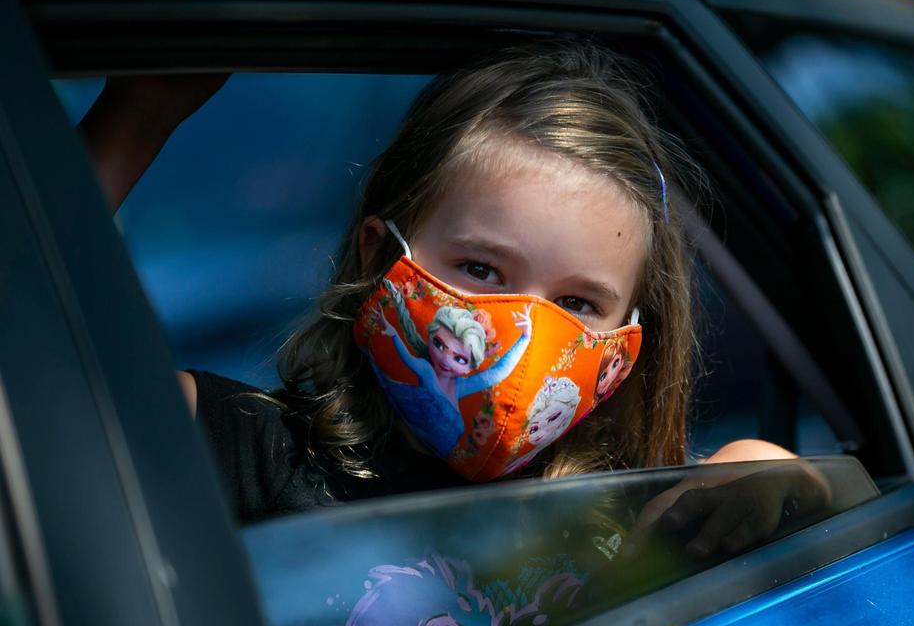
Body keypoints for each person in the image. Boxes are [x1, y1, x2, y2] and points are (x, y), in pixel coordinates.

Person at [78, 41, 817, 543]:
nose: (526, 333)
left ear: (624, 348)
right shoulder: (249, 448)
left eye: (578, 305)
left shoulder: (622, 522)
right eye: (482, 270)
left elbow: (818, 518)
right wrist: (136, 117)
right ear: (379, 256)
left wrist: (778, 474)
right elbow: (38, 402)